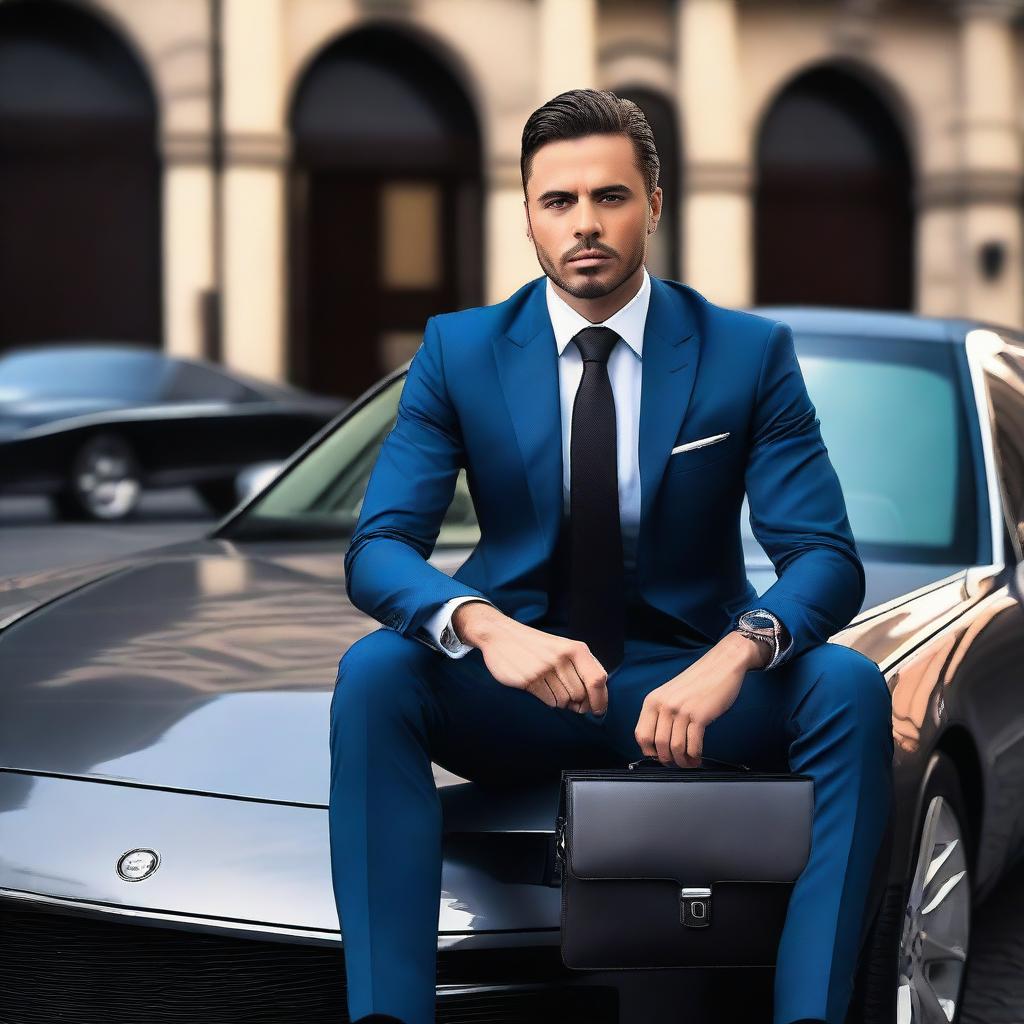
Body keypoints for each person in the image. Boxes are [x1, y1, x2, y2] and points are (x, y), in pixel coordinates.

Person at [329, 88, 894, 1024]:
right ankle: (389, 1013)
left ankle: (808, 1016)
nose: (584, 224)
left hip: (684, 694)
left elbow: (825, 558)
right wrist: (483, 627)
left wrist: (737, 652)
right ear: (526, 215)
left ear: (654, 204)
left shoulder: (745, 353)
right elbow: (379, 549)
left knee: (847, 688)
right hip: (517, 685)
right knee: (377, 673)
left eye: (610, 196)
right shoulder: (459, 351)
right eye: (559, 201)